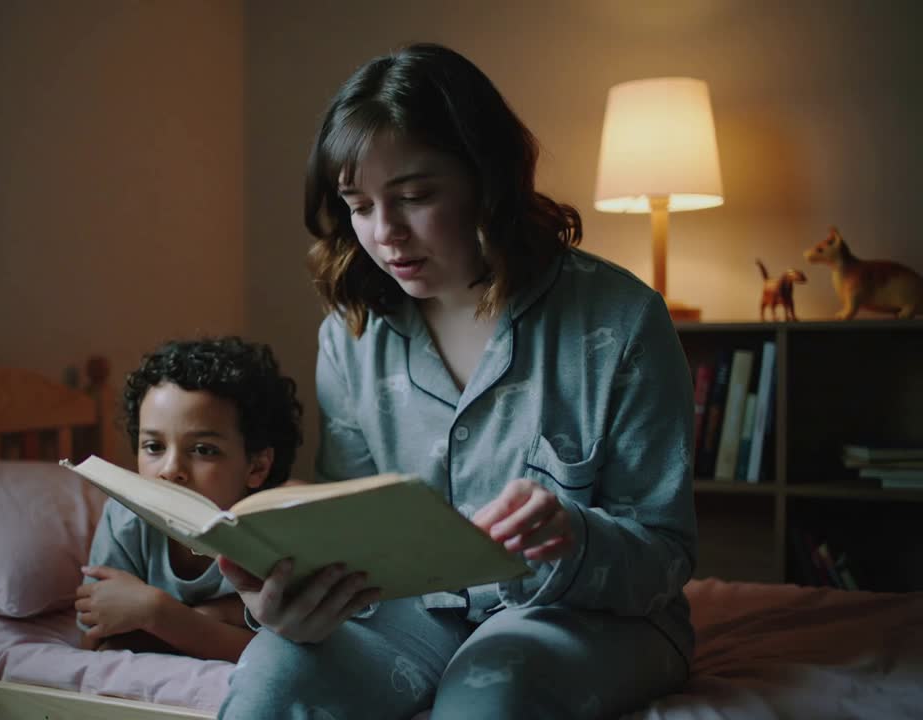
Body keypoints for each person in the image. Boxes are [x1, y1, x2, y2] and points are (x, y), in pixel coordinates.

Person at [217, 43, 696, 719]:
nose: (385, 235)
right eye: (358, 204)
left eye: (414, 197)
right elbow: (350, 521)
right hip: (409, 618)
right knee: (273, 672)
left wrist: (573, 537)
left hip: (585, 615)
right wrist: (287, 600)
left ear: (487, 179)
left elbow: (667, 553)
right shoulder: (351, 336)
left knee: (489, 689)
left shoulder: (620, 322)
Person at [75, 337, 303, 662]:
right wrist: (216, 619)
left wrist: (156, 612)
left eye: (203, 450)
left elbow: (282, 656)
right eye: (153, 447)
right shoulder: (124, 520)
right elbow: (96, 645)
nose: (170, 470)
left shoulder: (274, 534)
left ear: (257, 466)